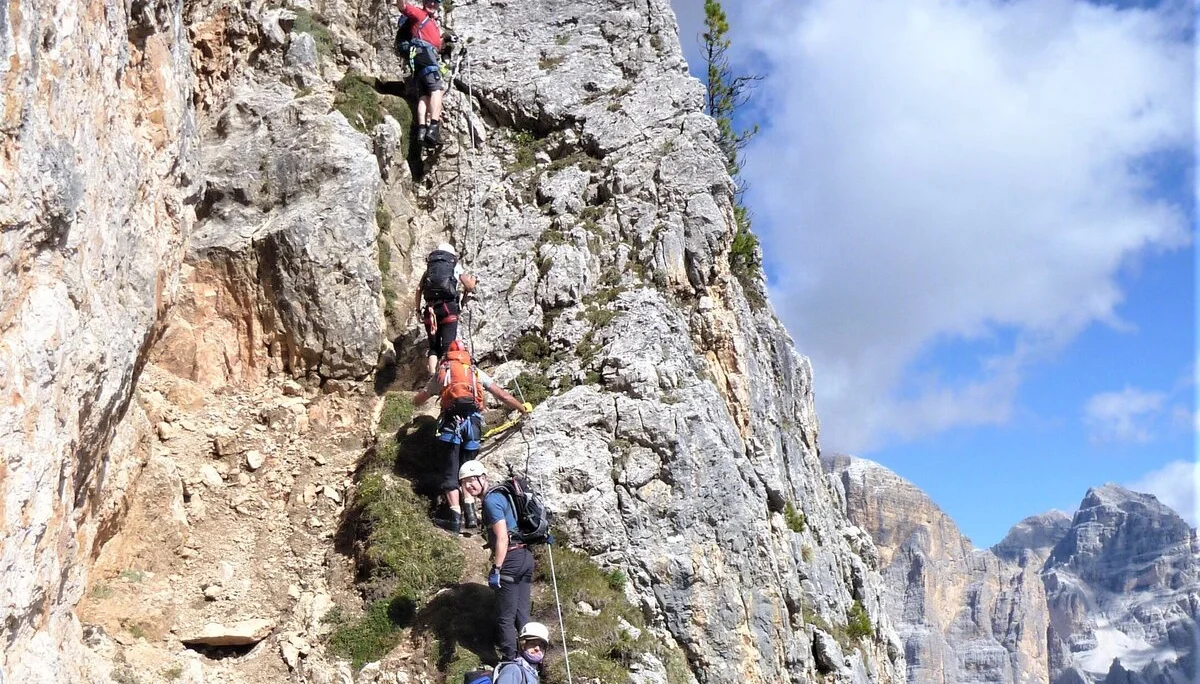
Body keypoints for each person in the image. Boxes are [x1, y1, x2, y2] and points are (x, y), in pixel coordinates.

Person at [414, 342, 530, 534]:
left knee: (451, 472)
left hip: (452, 425)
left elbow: (422, 397)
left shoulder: (444, 372)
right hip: (473, 427)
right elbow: (501, 394)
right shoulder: (474, 372)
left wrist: (413, 401)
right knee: (467, 469)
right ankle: (471, 515)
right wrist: (521, 407)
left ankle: (454, 519)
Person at [459, 461, 537, 661]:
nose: (469, 486)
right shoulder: (503, 495)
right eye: (465, 483)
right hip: (525, 557)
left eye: (471, 481)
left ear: (482, 477)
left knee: (505, 617)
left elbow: (502, 537)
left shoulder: (491, 501)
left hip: (511, 559)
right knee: (522, 614)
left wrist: (497, 568)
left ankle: (510, 660)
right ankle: (533, 659)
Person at [414, 243, 476, 376]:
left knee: (433, 348)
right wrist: (473, 281)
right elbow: (469, 286)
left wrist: (418, 311)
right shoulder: (454, 267)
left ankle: (432, 377)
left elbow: (419, 289)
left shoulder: (430, 270)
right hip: (448, 309)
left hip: (430, 311)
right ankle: (444, 378)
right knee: (448, 346)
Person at [395, 0, 449, 146]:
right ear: (424, 2)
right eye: (429, 1)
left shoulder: (431, 23)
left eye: (435, 2)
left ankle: (422, 130)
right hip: (425, 52)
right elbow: (403, 7)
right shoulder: (420, 15)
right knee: (436, 89)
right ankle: (433, 127)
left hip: (418, 57)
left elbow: (437, 43)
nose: (432, 4)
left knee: (424, 94)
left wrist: (446, 39)